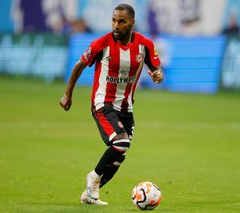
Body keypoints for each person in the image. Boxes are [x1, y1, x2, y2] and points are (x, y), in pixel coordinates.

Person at [59, 4, 163, 205]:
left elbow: (156, 68)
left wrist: (158, 75)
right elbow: (79, 65)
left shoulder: (145, 45)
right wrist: (67, 94)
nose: (116, 25)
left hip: (126, 108)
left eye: (121, 21)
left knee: (119, 156)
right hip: (103, 104)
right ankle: (94, 176)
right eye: (114, 20)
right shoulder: (102, 43)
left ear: (132, 22)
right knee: (121, 143)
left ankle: (89, 194)